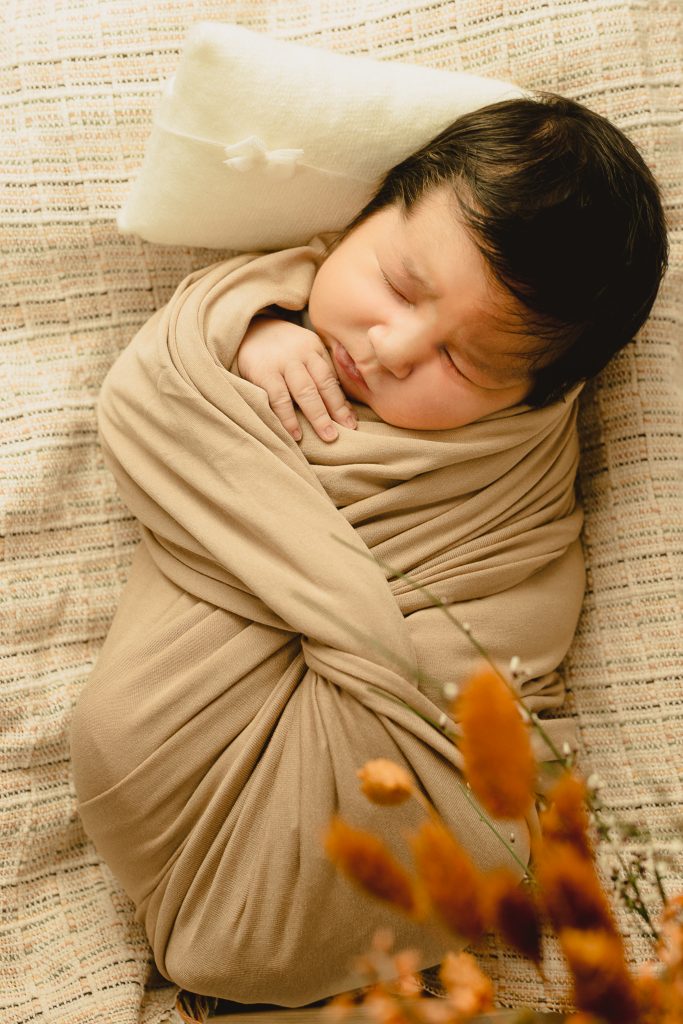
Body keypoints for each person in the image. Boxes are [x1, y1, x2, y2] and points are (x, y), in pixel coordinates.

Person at [236, 93, 667, 444]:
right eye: (398, 288)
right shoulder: (251, 294)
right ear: (370, 210)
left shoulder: (511, 471)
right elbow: (174, 365)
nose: (392, 351)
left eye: (461, 364)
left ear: (539, 394)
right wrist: (248, 333)